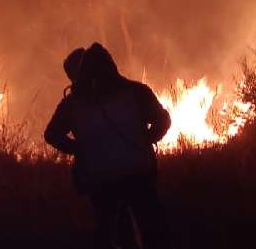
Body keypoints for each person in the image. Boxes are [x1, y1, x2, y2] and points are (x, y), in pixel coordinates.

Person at [45, 43, 172, 249]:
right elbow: (163, 120)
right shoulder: (135, 91)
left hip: (101, 179)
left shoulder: (72, 104)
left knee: (109, 234)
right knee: (152, 230)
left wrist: (82, 150)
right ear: (112, 65)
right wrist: (145, 140)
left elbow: (52, 135)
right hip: (139, 173)